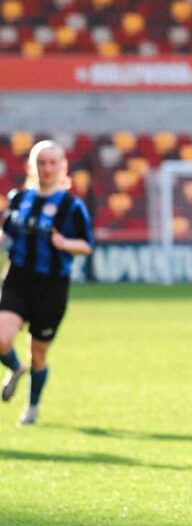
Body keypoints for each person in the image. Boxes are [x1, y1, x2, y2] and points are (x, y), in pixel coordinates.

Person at [0, 139, 94, 425]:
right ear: (32, 166)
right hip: (17, 279)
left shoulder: (71, 206)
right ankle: (16, 368)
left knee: (38, 353)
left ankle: (32, 406)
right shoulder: (19, 199)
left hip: (51, 287)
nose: (47, 168)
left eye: (53, 162)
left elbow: (86, 246)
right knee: (2, 338)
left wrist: (65, 243)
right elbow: (7, 235)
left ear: (63, 167)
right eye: (41, 162)